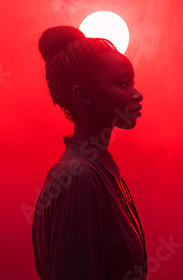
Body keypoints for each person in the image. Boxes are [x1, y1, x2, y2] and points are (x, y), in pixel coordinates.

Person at [32, 25, 147, 280]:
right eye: (123, 84)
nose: (137, 95)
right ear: (83, 95)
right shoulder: (78, 178)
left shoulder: (97, 170)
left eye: (133, 83)